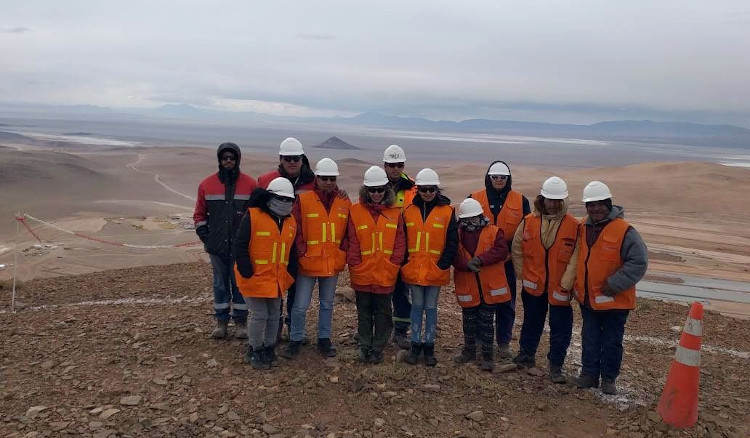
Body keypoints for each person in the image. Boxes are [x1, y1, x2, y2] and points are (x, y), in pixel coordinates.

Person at [572, 181, 648, 395]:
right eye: (591, 204)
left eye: (599, 204)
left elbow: (639, 261)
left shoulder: (625, 230)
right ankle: (588, 375)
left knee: (612, 341)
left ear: (608, 203)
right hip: (589, 300)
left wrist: (615, 283)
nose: (595, 209)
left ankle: (608, 379)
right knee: (590, 338)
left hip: (615, 301)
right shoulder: (583, 227)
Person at [282, 158, 351, 359]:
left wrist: (342, 252)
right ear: (317, 178)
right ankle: (295, 340)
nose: (329, 182)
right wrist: (302, 253)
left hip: (332, 262)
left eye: (332, 178)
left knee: (327, 303)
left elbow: (349, 232)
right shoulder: (304, 201)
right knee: (300, 305)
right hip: (308, 264)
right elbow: (296, 229)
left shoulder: (344, 202)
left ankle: (324, 339)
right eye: (324, 178)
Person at [511, 177, 578, 383]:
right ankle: (526, 355)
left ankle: (556, 365)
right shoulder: (528, 221)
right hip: (533, 286)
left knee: (560, 328)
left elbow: (576, 257)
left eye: (557, 200)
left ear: (564, 201)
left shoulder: (574, 225)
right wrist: (524, 275)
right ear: (542, 198)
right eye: (549, 199)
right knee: (531, 322)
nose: (553, 204)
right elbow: (517, 249)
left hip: (560, 288)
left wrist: (567, 284)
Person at [194, 142, 257, 340]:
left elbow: (255, 215)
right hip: (217, 247)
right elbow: (199, 214)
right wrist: (206, 236)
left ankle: (240, 323)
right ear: (219, 160)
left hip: (240, 248)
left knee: (239, 284)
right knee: (220, 284)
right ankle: (221, 323)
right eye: (225, 157)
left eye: (232, 157)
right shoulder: (207, 185)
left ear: (238, 159)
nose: (228, 160)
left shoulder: (250, 184)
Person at [233, 178, 297, 369]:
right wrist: (245, 267)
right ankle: (254, 349)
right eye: (281, 198)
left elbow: (290, 251)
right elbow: (240, 244)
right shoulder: (253, 216)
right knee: (260, 314)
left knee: (274, 314)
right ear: (269, 197)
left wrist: (291, 272)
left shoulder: (291, 222)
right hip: (254, 278)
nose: (285, 203)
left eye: (289, 200)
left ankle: (269, 347)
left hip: (276, 280)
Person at [469, 160, 530, 359]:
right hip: (481, 262)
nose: (498, 180)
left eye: (502, 177)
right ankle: (479, 340)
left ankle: (503, 343)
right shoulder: (475, 198)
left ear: (508, 179)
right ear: (488, 178)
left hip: (507, 262)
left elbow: (526, 232)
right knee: (480, 301)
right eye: (495, 177)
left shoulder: (521, 201)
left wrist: (516, 254)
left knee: (506, 302)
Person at [257, 137, 315, 343]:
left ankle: (292, 327)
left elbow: (329, 196)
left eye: (296, 158)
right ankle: (274, 329)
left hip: (299, 245)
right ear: (281, 159)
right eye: (287, 158)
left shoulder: (313, 182)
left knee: (296, 290)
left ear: (302, 159)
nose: (292, 162)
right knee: (275, 288)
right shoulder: (265, 181)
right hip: (274, 245)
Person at [346, 166, 406, 364]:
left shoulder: (395, 213)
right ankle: (364, 345)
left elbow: (400, 242)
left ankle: (378, 347)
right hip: (362, 273)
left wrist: (394, 263)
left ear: (386, 190)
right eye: (373, 190)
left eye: (380, 189)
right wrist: (355, 265)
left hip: (385, 273)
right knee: (364, 311)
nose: (377, 194)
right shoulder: (355, 211)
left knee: (383, 312)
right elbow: (352, 242)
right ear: (366, 191)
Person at [401, 168, 458, 367]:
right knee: (417, 306)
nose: (428, 193)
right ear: (418, 190)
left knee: (431, 308)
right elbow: (402, 239)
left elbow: (452, 241)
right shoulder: (408, 211)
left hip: (435, 268)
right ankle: (416, 345)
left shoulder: (448, 211)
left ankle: (430, 347)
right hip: (415, 268)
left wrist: (443, 264)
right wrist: (405, 262)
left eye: (431, 189)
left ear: (437, 189)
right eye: (424, 189)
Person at [452, 198, 510, 371]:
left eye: (474, 218)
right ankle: (468, 351)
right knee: (468, 322)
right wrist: (465, 265)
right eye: (467, 219)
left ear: (480, 215)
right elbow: (453, 255)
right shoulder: (456, 234)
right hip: (468, 287)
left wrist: (480, 260)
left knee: (486, 324)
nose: (470, 222)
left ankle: (487, 356)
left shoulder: (494, 231)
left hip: (489, 289)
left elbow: (501, 251)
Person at [382, 144, 417, 350]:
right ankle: (380, 330)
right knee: (381, 290)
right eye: (391, 165)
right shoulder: (374, 184)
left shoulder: (413, 187)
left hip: (405, 248)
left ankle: (401, 331)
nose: (395, 169)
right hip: (381, 246)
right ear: (384, 165)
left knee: (401, 292)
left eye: (399, 165)